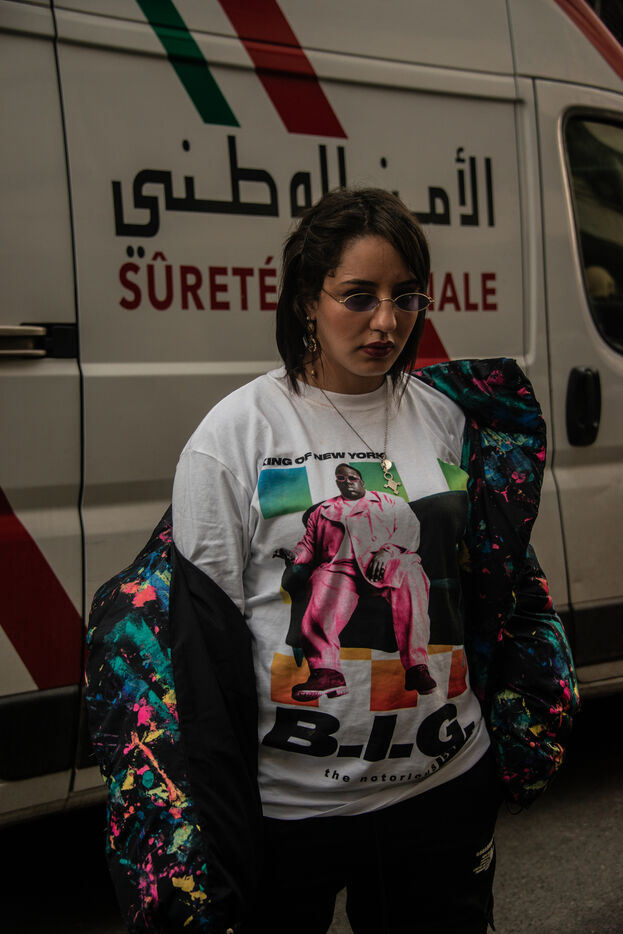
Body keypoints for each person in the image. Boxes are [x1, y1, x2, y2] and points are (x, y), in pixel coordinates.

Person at [86, 187, 578, 934]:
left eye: (405, 297)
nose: (386, 321)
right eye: (358, 296)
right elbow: (203, 652)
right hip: (289, 813)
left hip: (443, 789)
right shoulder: (234, 437)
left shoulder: (448, 419)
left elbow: (489, 583)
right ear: (304, 302)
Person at [274, 462, 436, 701]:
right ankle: (327, 672)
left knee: (412, 572)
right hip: (341, 570)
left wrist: (387, 551)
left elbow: (409, 530)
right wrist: (295, 555)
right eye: (342, 479)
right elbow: (308, 546)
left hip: (384, 563)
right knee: (320, 581)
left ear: (361, 481)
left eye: (352, 478)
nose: (347, 482)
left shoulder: (390, 502)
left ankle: (416, 668)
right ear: (337, 483)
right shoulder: (323, 511)